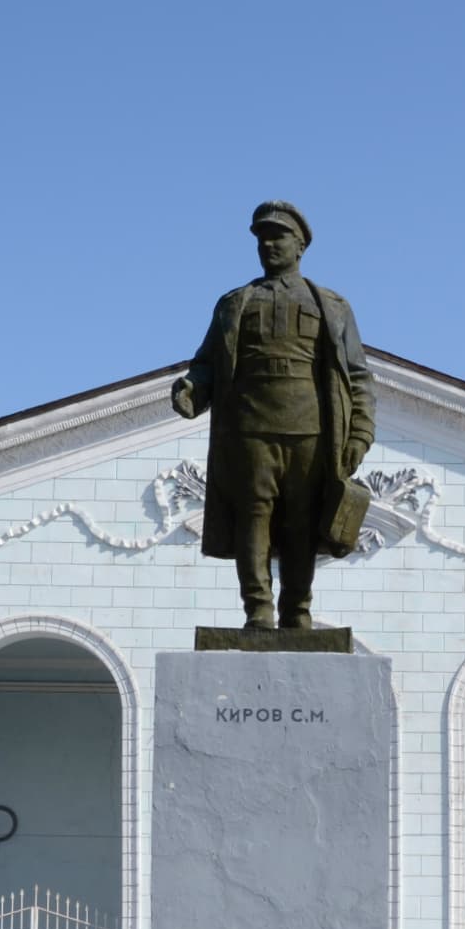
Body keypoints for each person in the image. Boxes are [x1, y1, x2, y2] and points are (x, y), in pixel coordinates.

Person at [171, 202, 376, 630]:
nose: (268, 245)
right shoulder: (234, 304)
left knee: (302, 520)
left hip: (311, 430)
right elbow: (207, 363)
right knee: (254, 515)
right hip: (250, 427)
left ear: (300, 245)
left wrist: (359, 434)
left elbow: (357, 376)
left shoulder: (331, 305)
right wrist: (192, 389)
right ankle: (258, 608)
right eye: (262, 238)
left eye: (278, 237)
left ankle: (297, 609)